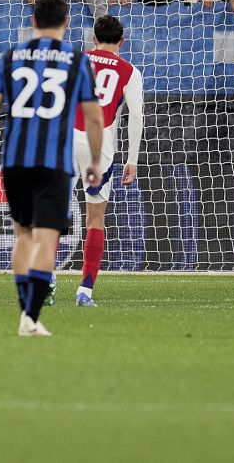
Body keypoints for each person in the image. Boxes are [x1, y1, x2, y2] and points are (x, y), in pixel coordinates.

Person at [0, 0, 104, 336]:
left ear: (33, 21)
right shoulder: (76, 60)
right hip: (54, 163)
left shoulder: (12, 57)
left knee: (24, 237)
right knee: (47, 238)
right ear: (67, 22)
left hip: (15, 160)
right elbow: (92, 117)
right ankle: (30, 317)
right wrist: (94, 161)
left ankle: (25, 310)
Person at [71, 15, 144, 307]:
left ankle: (44, 280)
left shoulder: (74, 60)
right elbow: (136, 117)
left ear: (93, 39)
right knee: (95, 219)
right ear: (122, 42)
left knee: (50, 210)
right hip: (100, 146)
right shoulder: (129, 71)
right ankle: (85, 290)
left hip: (68, 138)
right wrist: (132, 160)